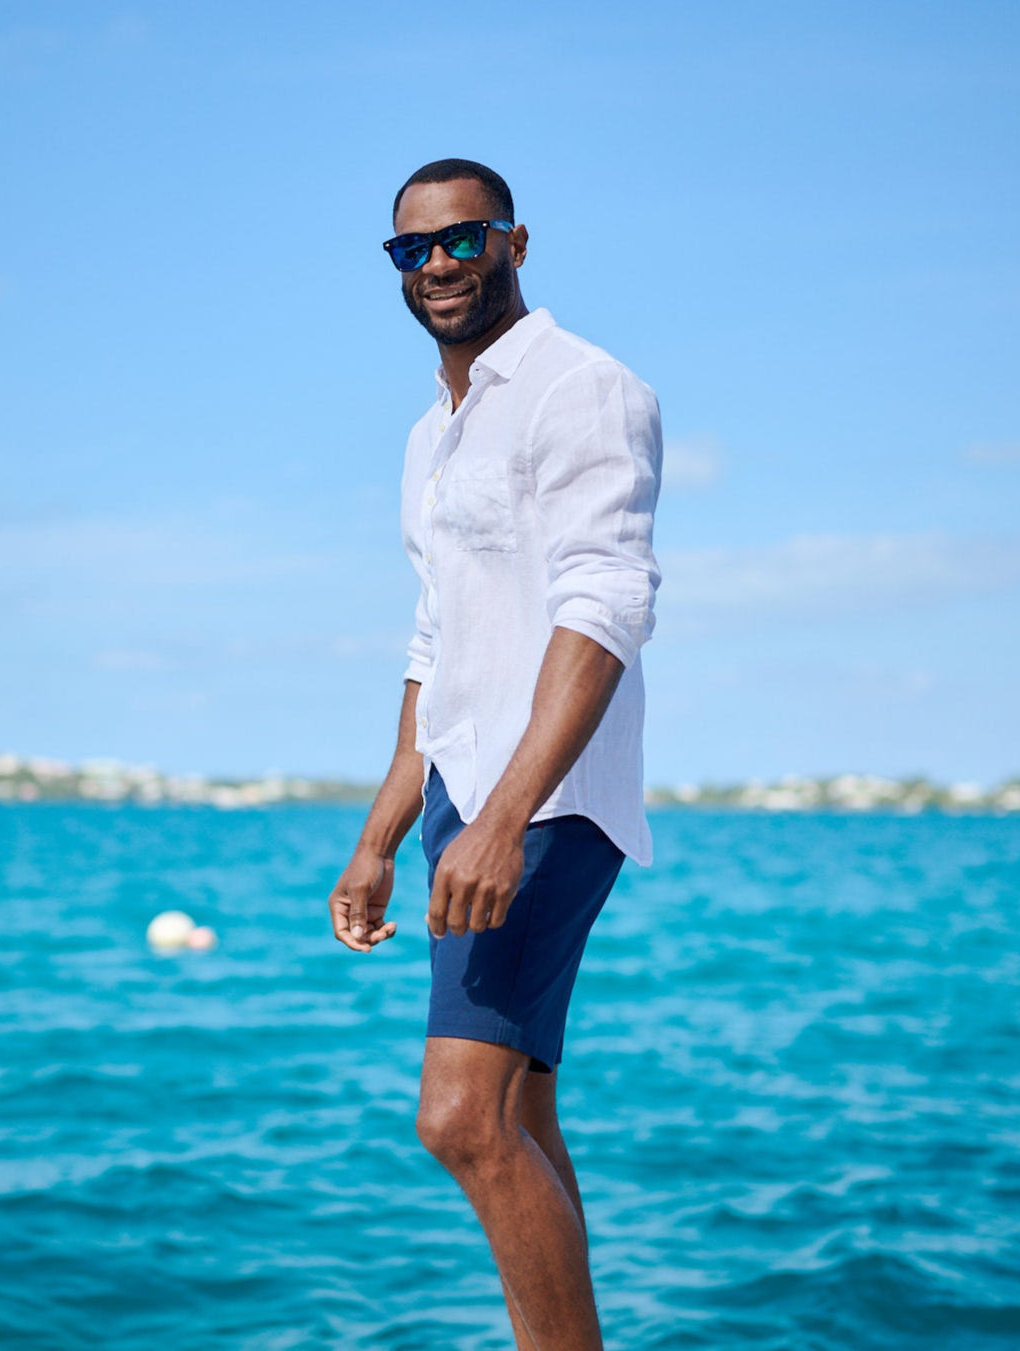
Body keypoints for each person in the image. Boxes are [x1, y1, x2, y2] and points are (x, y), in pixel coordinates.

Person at [327, 157, 661, 1351]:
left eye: (461, 241)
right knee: (517, 1108)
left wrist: (508, 815)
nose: (437, 268)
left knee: (459, 1118)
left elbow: (606, 603)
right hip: (461, 797)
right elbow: (438, 646)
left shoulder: (584, 388)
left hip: (546, 799)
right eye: (411, 251)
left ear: (515, 242)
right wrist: (380, 833)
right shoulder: (431, 435)